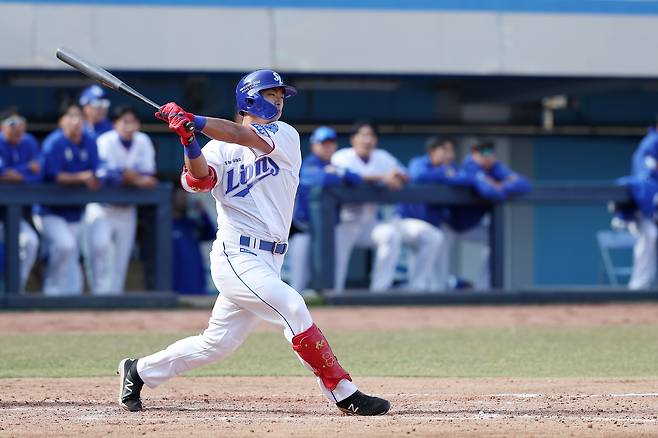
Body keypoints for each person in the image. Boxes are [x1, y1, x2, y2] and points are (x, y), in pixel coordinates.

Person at [117, 69, 390, 416]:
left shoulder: (285, 135)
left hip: (270, 257)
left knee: (216, 344)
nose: (278, 102)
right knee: (293, 306)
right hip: (236, 254)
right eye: (270, 95)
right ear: (248, 99)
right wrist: (189, 140)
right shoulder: (215, 149)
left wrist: (194, 120)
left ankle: (138, 370)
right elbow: (201, 180)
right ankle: (344, 392)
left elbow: (239, 134)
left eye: (280, 97)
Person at [84, 106, 157, 295]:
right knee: (100, 249)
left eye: (132, 121)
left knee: (121, 258)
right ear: (115, 124)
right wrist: (131, 177)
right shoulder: (105, 140)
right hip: (102, 208)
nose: (128, 126)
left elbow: (149, 175)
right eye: (124, 121)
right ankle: (99, 294)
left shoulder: (142, 140)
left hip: (126, 209)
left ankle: (115, 298)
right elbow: (105, 175)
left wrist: (131, 177)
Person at [441, 140, 530, 289]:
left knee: (495, 239)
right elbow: (487, 191)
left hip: (471, 226)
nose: (488, 157)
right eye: (484, 154)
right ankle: (435, 289)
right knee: (436, 251)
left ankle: (484, 287)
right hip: (449, 224)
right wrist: (496, 185)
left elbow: (524, 184)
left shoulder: (495, 169)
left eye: (490, 153)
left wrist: (500, 185)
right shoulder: (469, 166)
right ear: (474, 155)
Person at [330, 122, 407, 292]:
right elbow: (351, 178)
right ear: (353, 139)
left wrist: (398, 176)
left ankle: (379, 291)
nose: (367, 139)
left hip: (368, 224)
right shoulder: (342, 156)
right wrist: (383, 177)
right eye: (363, 135)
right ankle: (333, 294)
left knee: (390, 234)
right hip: (344, 222)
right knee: (338, 262)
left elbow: (404, 173)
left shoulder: (382, 156)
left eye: (371, 135)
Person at [33, 103, 100, 296]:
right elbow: (55, 175)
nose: (76, 121)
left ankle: (69, 298)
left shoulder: (89, 140)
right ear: (61, 121)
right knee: (65, 245)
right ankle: (50, 290)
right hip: (49, 210)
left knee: (71, 253)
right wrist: (82, 177)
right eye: (70, 116)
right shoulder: (54, 142)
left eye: (79, 116)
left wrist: (95, 178)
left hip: (74, 210)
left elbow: (97, 169)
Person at [287, 126, 362, 293]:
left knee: (328, 274)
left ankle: (328, 306)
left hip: (327, 232)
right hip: (303, 229)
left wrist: (338, 172)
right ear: (314, 146)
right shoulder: (308, 163)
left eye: (330, 143)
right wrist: (337, 175)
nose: (327, 147)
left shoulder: (336, 165)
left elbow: (357, 179)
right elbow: (321, 179)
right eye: (323, 143)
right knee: (298, 280)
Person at [397, 137, 469, 292]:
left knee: (435, 253)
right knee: (430, 241)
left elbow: (464, 179)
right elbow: (418, 175)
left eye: (449, 151)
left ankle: (428, 291)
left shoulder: (451, 167)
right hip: (407, 221)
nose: (447, 155)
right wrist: (445, 173)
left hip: (433, 224)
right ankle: (416, 288)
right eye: (443, 151)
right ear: (432, 151)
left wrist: (448, 174)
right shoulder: (419, 163)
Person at [0, 110, 41, 291]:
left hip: (15, 216)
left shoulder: (29, 142)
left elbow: (39, 173)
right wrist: (26, 169)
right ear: (2, 127)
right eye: (12, 123)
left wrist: (17, 173)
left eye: (21, 123)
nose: (18, 127)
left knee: (30, 242)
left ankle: (17, 290)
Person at [618, 118, 658, 289]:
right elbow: (645, 176)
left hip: (651, 206)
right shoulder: (651, 143)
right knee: (650, 235)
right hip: (643, 208)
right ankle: (639, 287)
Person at [171, 187, 216, 294]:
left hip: (195, 282)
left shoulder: (191, 224)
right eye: (180, 196)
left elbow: (210, 234)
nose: (184, 198)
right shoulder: (165, 224)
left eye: (185, 196)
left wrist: (202, 212)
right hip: (175, 284)